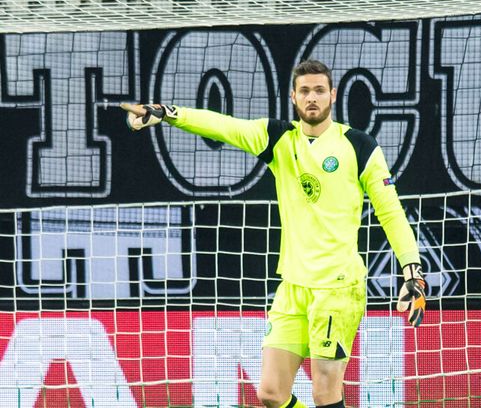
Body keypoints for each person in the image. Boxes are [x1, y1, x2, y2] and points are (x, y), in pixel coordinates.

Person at [121, 59, 426, 408]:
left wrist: (411, 271)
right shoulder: (280, 139)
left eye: (320, 90)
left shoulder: (359, 146)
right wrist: (167, 113)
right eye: (306, 91)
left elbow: (391, 211)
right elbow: (224, 126)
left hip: (337, 287)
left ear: (333, 95)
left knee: (325, 393)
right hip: (293, 286)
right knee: (270, 393)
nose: (313, 98)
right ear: (294, 97)